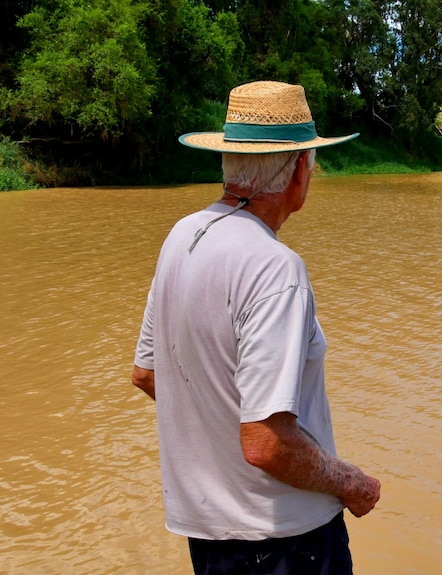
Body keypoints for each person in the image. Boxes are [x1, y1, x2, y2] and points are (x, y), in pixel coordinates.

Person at [131, 81, 381, 575]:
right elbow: (266, 443)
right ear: (298, 174)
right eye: (311, 160)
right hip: (284, 543)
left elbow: (147, 373)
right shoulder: (275, 267)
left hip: (208, 536)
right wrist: (351, 482)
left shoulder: (182, 236)